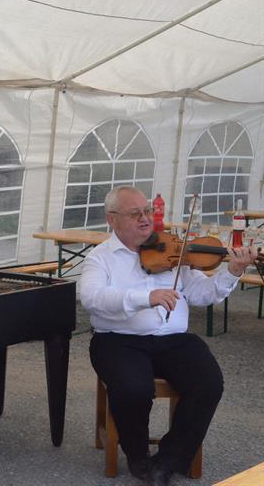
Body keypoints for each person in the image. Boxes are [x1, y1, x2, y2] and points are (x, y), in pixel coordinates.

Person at [80, 186, 257, 486]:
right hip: (118, 339)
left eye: (147, 211)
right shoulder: (101, 258)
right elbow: (91, 297)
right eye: (135, 214)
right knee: (133, 388)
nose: (146, 219)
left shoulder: (173, 249)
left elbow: (205, 293)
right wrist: (146, 297)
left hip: (173, 339)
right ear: (112, 219)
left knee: (208, 383)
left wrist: (233, 272)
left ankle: (167, 461)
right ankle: (137, 457)